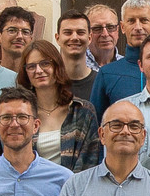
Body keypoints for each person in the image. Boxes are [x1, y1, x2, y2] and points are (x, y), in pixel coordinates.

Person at [18, 39, 103, 171]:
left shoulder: (82, 111)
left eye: (45, 63)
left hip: (75, 183)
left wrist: (69, 184)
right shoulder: (21, 115)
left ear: (57, 66)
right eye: (31, 66)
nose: (38, 70)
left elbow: (90, 162)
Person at [55, 9, 98, 91]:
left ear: (89, 38)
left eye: (80, 32)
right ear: (57, 38)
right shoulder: (47, 84)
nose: (74, 37)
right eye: (68, 32)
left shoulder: (101, 83)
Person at [0, 6, 37, 71]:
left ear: (31, 39)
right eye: (12, 30)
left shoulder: (36, 75)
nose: (19, 36)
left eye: (25, 32)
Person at [85, 3, 121, 67]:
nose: (105, 34)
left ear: (117, 31)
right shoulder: (77, 65)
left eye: (110, 27)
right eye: (97, 28)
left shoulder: (128, 66)